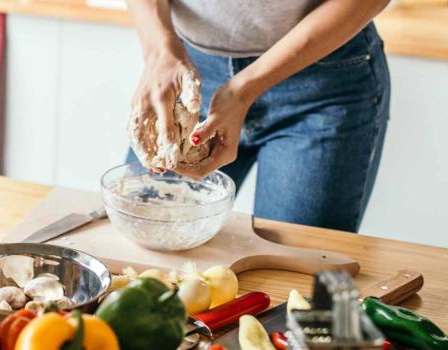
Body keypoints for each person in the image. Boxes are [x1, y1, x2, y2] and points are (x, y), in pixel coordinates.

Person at [125, 0, 391, 232]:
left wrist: (244, 91)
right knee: (147, 232)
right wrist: (159, 51)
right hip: (189, 79)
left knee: (299, 274)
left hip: (321, 84)